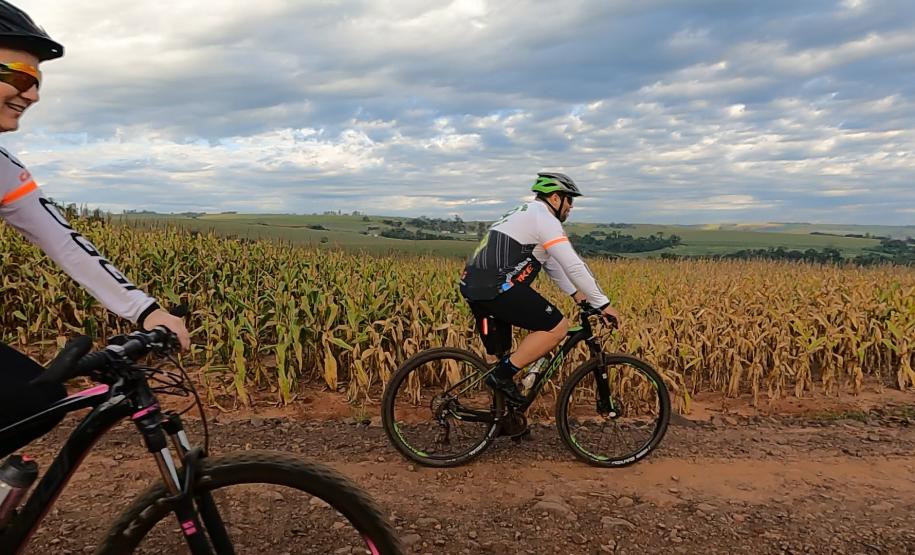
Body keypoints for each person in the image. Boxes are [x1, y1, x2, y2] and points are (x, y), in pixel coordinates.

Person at [0, 0, 189, 454]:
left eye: (38, 82)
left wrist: (147, 311)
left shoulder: (3, 169)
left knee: (37, 399)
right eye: (21, 78)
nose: (33, 95)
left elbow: (65, 241)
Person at [459, 172, 620, 405]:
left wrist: (576, 294)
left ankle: (503, 416)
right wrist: (603, 304)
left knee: (501, 357)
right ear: (555, 198)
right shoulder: (544, 218)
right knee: (557, 328)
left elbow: (549, 262)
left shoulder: (523, 213)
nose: (571, 206)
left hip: (473, 285)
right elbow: (573, 265)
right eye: (569, 200)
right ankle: (501, 377)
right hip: (496, 287)